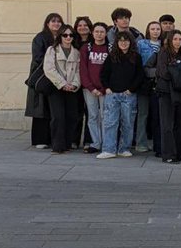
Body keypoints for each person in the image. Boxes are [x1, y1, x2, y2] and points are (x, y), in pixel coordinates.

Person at [99, 31, 144, 159]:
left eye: (126, 40)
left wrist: (131, 89)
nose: (123, 43)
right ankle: (109, 149)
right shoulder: (111, 57)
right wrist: (107, 88)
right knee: (110, 122)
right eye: (120, 41)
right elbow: (104, 74)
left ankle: (124, 148)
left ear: (131, 42)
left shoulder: (136, 57)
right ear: (116, 43)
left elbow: (140, 75)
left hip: (128, 95)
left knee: (128, 123)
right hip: (112, 95)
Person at [155, 30, 181, 163]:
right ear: (170, 40)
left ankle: (180, 153)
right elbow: (163, 72)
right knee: (167, 124)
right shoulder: (163, 53)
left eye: (180, 39)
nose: (178, 42)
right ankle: (168, 154)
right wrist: (179, 73)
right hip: (167, 93)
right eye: (175, 39)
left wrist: (177, 72)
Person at [26, 12, 63, 148]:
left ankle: (54, 138)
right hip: (43, 75)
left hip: (58, 76)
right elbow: (38, 57)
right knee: (41, 108)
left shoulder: (63, 37)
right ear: (47, 23)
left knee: (54, 109)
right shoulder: (40, 37)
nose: (56, 24)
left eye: (58, 21)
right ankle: (40, 140)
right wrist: (52, 66)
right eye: (53, 21)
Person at [42, 24, 81, 153]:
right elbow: (49, 69)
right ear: (60, 36)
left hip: (71, 89)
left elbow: (78, 71)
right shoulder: (52, 50)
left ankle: (68, 143)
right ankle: (58, 146)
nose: (68, 37)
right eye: (65, 35)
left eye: (71, 35)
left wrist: (74, 84)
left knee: (72, 116)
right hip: (56, 88)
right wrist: (62, 84)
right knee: (58, 117)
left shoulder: (76, 52)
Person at [78, 22, 110, 154]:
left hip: (105, 89)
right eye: (96, 31)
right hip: (89, 89)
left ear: (106, 33)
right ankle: (96, 143)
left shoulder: (111, 48)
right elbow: (83, 70)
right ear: (92, 33)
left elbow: (112, 70)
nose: (99, 34)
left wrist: (103, 88)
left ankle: (106, 143)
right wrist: (91, 88)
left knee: (105, 116)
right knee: (92, 116)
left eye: (102, 32)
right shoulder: (86, 48)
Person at [136, 21, 163, 155]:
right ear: (148, 30)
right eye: (152, 29)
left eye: (158, 29)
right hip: (144, 82)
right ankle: (141, 143)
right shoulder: (141, 44)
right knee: (143, 114)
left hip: (160, 85)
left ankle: (158, 143)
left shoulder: (165, 44)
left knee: (158, 115)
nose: (155, 31)